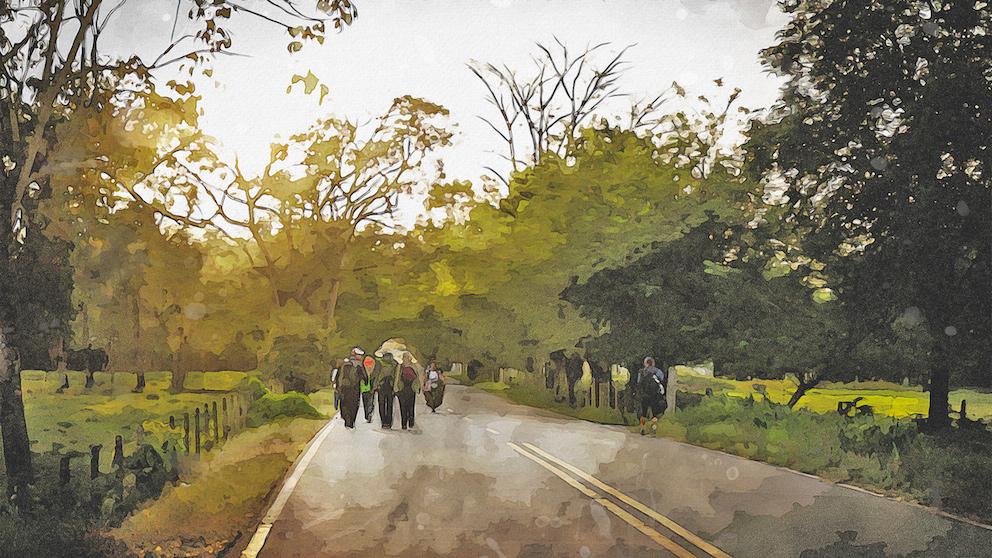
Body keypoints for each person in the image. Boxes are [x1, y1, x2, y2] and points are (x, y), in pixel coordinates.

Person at [337, 348, 369, 429]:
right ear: (357, 355)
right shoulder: (359, 365)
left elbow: (339, 376)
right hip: (354, 388)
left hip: (344, 388)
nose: (361, 357)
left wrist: (338, 387)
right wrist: (365, 382)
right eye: (360, 355)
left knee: (344, 403)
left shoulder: (344, 364)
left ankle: (346, 419)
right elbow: (365, 377)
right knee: (354, 405)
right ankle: (351, 421)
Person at [637, 357, 667, 436]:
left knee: (643, 413)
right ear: (653, 363)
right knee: (655, 413)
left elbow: (639, 382)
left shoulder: (641, 372)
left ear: (645, 363)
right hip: (654, 396)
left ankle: (642, 428)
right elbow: (662, 379)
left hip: (644, 396)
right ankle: (653, 429)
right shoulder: (657, 371)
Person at [394, 353, 421, 430]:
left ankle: (411, 422)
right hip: (402, 388)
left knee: (411, 406)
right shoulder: (400, 367)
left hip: (411, 388)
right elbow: (397, 377)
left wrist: (418, 387)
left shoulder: (413, 366)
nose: (405, 359)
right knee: (403, 407)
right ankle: (404, 424)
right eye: (404, 357)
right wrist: (396, 388)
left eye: (407, 357)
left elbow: (417, 378)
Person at [376, 353, 397, 428]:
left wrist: (376, 386)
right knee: (389, 405)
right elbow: (396, 377)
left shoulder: (380, 364)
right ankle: (388, 422)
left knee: (382, 404)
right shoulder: (394, 365)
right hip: (390, 386)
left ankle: (383, 422)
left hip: (381, 386)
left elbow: (377, 375)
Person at [361, 354, 377, 423]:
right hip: (370, 388)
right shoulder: (374, 367)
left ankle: (367, 415)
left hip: (364, 388)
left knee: (365, 402)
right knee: (370, 401)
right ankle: (369, 413)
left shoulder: (363, 368)